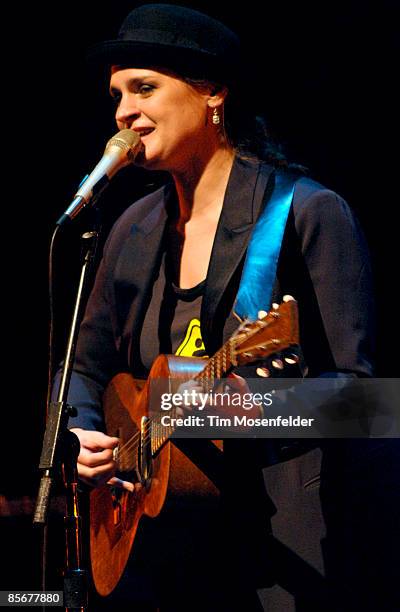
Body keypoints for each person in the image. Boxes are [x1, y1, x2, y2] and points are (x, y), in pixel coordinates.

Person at [54, 4, 399, 611]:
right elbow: (81, 370)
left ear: (212, 93)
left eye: (144, 88)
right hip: (162, 555)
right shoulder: (132, 230)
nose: (122, 112)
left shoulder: (306, 214)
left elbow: (366, 407)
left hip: (283, 555)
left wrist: (242, 410)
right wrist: (79, 433)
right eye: (116, 94)